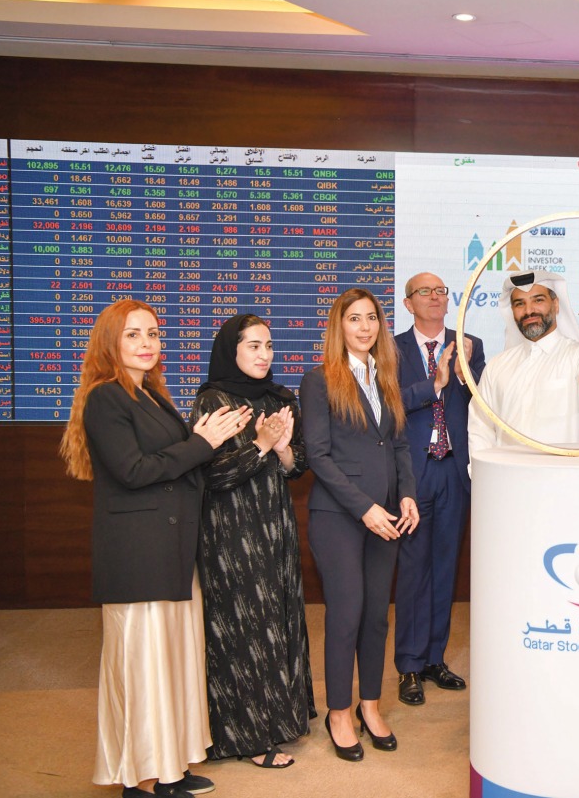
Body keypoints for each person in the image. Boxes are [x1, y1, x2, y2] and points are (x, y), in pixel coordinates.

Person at [59, 299, 249, 798]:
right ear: (110, 344)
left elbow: (182, 465)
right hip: (138, 553)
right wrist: (203, 442)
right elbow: (134, 471)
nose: (147, 344)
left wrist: (226, 444)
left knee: (173, 662)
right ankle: (141, 780)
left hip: (171, 549)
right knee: (143, 668)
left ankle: (170, 765)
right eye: (133, 335)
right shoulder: (106, 398)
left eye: (153, 334)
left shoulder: (152, 395)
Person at [300, 288, 419, 762]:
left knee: (375, 616)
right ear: (339, 326)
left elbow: (400, 446)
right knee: (346, 614)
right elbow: (319, 456)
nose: (365, 327)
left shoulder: (386, 376)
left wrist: (406, 493)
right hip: (340, 518)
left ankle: (370, 705)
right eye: (355, 319)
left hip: (387, 515)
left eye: (372, 318)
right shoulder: (319, 379)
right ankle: (339, 713)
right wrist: (364, 507)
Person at [191, 314, 313, 768]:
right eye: (254, 346)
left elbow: (296, 465)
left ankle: (281, 718)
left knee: (277, 617)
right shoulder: (214, 400)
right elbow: (213, 475)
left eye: (268, 346)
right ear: (232, 350)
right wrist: (260, 445)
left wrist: (281, 449)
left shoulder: (278, 398)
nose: (265, 355)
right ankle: (247, 736)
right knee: (244, 627)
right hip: (232, 531)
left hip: (274, 521)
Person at [393, 272, 485, 706]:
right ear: (408, 303)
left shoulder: (470, 344)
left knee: (446, 567)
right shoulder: (389, 348)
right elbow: (388, 401)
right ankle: (409, 665)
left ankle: (434, 658)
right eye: (423, 292)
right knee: (413, 570)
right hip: (412, 471)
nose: (434, 297)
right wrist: (435, 385)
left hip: (453, 469)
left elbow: (484, 401)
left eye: (440, 291)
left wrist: (464, 372)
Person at [468, 270, 579, 452]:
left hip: (567, 477)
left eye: (538, 300)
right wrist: (482, 475)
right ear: (512, 311)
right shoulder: (497, 366)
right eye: (520, 304)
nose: (529, 311)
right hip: (509, 477)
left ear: (556, 304)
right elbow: (480, 428)